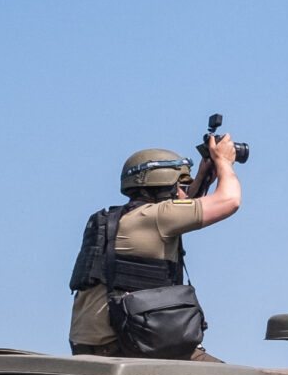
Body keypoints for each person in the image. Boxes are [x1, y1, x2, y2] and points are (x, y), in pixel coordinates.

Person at [69, 136, 243, 359]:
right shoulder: (158, 218)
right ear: (162, 187)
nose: (184, 194)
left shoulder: (117, 219)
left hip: (93, 344)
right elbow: (230, 200)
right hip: (128, 343)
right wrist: (224, 161)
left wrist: (202, 176)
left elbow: (184, 204)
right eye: (181, 187)